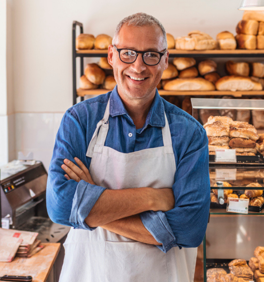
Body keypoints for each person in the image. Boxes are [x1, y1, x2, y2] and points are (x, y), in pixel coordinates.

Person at [46, 12, 210, 281]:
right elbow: (62, 206)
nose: (138, 66)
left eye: (150, 55)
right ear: (111, 55)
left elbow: (190, 229)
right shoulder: (80, 120)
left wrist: (90, 205)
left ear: (165, 60)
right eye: (128, 54)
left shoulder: (189, 133)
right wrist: (152, 198)